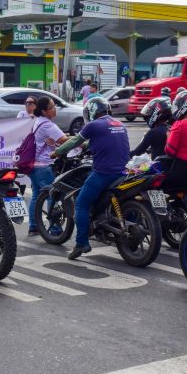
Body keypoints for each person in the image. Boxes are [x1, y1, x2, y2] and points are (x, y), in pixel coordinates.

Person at [52, 96, 130, 260]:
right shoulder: (119, 123)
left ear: (91, 112)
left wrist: (57, 152)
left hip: (103, 174)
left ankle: (81, 243)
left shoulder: (94, 125)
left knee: (81, 203)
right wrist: (85, 146)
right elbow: (101, 143)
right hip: (123, 172)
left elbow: (74, 140)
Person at [27, 96, 68, 236]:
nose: (55, 109)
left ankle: (33, 226)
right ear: (44, 111)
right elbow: (63, 140)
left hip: (34, 165)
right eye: (52, 107)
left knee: (37, 196)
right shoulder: (47, 125)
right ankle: (55, 228)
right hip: (44, 166)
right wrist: (82, 140)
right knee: (53, 196)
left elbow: (52, 140)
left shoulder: (38, 122)